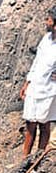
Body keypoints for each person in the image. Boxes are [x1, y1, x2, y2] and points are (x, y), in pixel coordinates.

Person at [19, 8, 56, 157]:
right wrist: (27, 83)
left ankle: (38, 157)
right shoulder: (46, 38)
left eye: (49, 20)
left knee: (44, 124)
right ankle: (25, 158)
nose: (46, 22)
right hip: (35, 87)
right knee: (30, 123)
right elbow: (36, 61)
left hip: (49, 90)